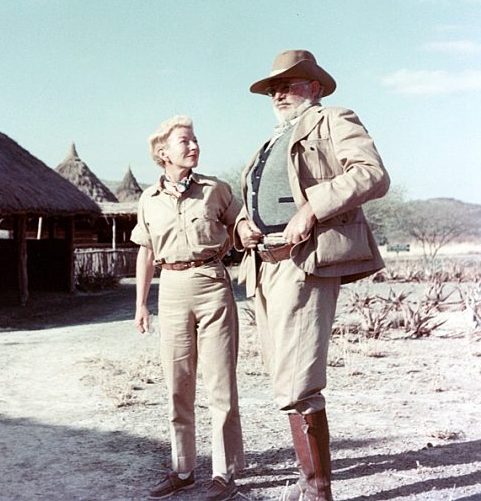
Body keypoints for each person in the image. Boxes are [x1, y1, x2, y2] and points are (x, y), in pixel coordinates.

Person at [234, 50, 389, 501]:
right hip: (264, 265)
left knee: (300, 377)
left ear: (315, 87)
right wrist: (244, 222)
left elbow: (372, 174)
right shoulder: (270, 141)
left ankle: (319, 490)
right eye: (273, 88)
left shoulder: (333, 119)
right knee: (284, 376)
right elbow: (261, 196)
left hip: (306, 260)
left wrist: (312, 209)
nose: (279, 93)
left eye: (291, 84)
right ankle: (308, 480)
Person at [131, 115, 244, 501]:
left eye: (196, 139)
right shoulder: (148, 199)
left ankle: (223, 475)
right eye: (185, 141)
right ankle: (183, 469)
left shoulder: (216, 190)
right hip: (171, 288)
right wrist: (140, 305)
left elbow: (241, 226)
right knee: (178, 384)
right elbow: (146, 252)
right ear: (163, 153)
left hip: (212, 285)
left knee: (220, 384)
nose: (194, 146)